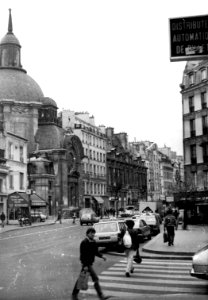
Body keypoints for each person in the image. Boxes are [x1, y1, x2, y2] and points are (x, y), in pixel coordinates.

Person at [72, 227, 109, 300]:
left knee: (81, 280)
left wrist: (102, 256)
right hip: (87, 264)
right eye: (91, 233)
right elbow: (82, 255)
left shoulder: (93, 242)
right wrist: (85, 265)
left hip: (89, 264)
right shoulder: (84, 242)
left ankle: (74, 295)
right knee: (95, 278)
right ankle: (101, 295)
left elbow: (95, 252)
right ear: (87, 234)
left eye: (94, 233)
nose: (93, 234)